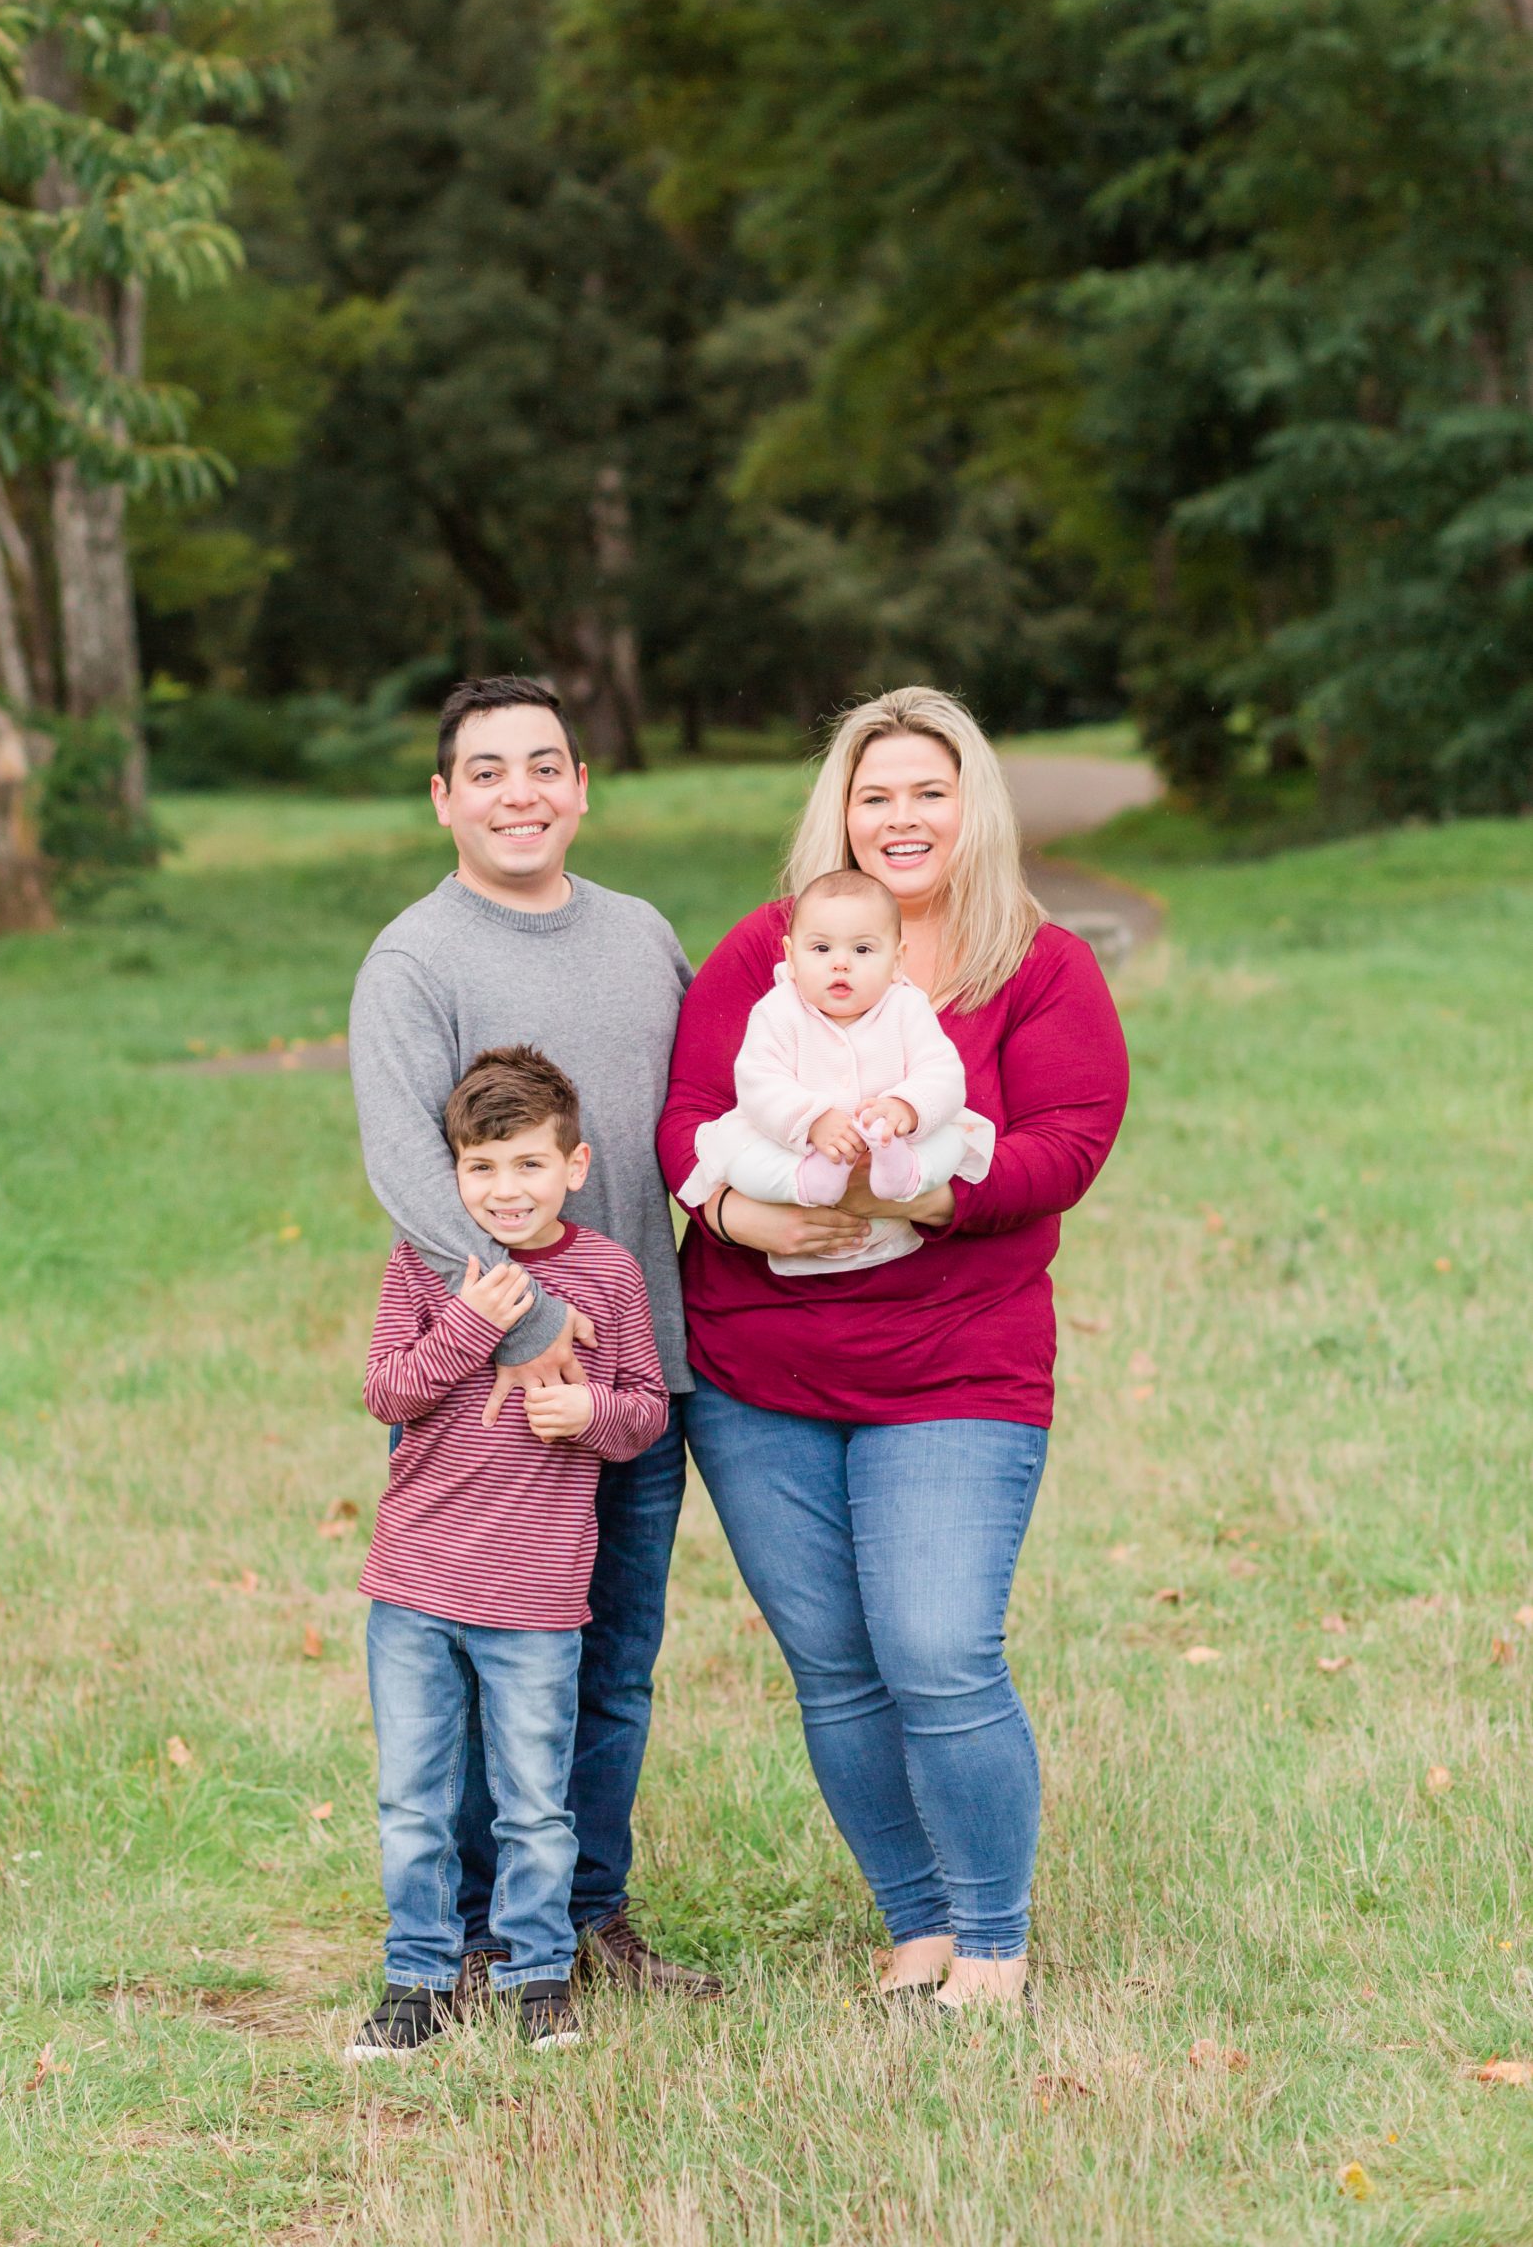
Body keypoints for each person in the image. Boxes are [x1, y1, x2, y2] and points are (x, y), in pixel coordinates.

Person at [659, 686, 1130, 2013]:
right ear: (839, 812)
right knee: (835, 1662)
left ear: (972, 804)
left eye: (928, 791)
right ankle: (914, 1924)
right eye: (875, 795)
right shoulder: (774, 947)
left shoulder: (1035, 966)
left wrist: (896, 1196)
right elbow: (688, 1112)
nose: (901, 817)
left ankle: (990, 1944)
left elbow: (1062, 1146)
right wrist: (743, 1208)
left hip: (954, 1368)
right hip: (758, 1372)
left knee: (934, 1646)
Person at [349, 675, 719, 2000]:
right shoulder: (415, 959)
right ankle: (454, 1935)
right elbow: (405, 1165)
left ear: (579, 785)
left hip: (640, 1372)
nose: (521, 791)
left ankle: (580, 1919)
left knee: (607, 1671)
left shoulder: (639, 936)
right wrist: (530, 1329)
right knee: (470, 1667)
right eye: (488, 770)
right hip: (495, 1397)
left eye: (544, 765)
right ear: (445, 798)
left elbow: (698, 1117)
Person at [347, 1047, 669, 2058]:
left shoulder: (609, 1276)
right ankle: (418, 1975)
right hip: (414, 1586)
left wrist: (590, 1410)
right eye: (482, 1168)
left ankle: (539, 1976)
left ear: (574, 1166)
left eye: (529, 1164)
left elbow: (647, 1412)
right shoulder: (430, 1263)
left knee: (535, 1797)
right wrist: (468, 1326)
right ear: (452, 1176)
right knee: (416, 1795)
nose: (505, 1189)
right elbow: (388, 1392)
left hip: (536, 1595)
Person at [675, 865, 994, 1276]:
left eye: (862, 951)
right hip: (795, 1146)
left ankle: (906, 1173)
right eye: (821, 949)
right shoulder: (778, 1010)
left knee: (953, 1142)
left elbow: (943, 1072)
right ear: (791, 957)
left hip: (892, 1138)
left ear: (897, 961)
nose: (840, 964)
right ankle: (808, 1181)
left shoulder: (906, 1007)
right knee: (739, 1160)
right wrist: (812, 1120)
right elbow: (759, 1082)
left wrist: (907, 1107)